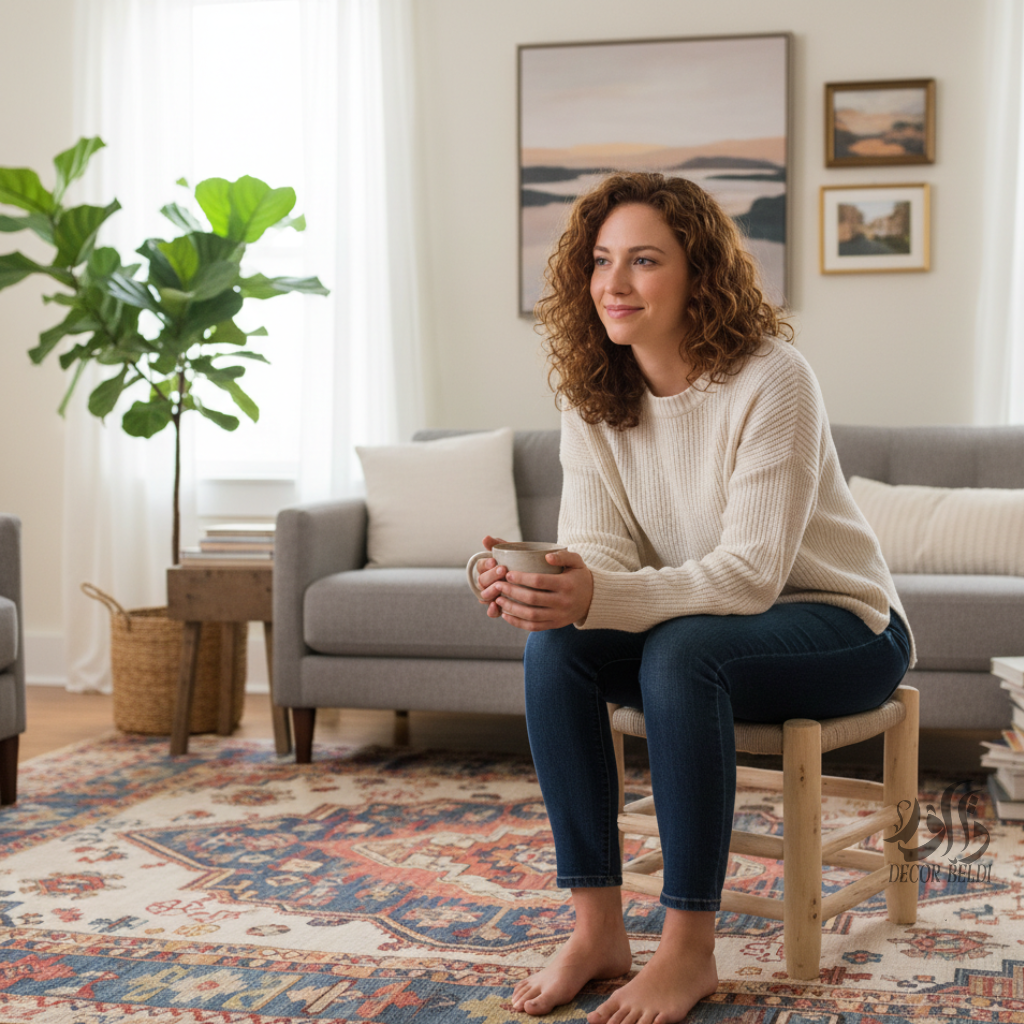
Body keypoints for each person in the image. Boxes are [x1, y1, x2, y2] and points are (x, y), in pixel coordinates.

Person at [474, 171, 914, 1024]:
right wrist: (547, 587)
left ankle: (687, 950)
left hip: (842, 626)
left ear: (698, 274)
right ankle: (598, 928)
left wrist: (598, 593)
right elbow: (600, 551)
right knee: (557, 647)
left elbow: (749, 576)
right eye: (601, 261)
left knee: (683, 650)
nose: (614, 283)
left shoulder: (771, 377)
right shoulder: (592, 391)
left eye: (643, 260)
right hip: (708, 629)